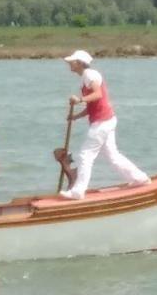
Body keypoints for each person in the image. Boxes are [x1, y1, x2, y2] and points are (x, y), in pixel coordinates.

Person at [60, 50, 150, 200]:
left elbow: (97, 95)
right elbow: (92, 106)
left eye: (72, 62)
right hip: (106, 120)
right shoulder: (86, 77)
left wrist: (79, 99)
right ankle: (140, 178)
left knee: (85, 155)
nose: (69, 64)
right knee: (113, 156)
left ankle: (77, 191)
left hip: (102, 122)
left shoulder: (90, 74)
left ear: (80, 63)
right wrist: (75, 117)